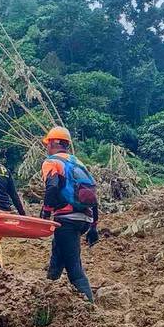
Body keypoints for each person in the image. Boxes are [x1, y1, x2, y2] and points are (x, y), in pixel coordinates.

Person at [40, 126, 99, 301]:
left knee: (75, 270)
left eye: (47, 143)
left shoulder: (52, 162)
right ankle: (46, 297)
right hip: (84, 219)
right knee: (58, 258)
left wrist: (45, 213)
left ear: (51, 143)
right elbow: (92, 193)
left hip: (66, 219)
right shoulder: (78, 163)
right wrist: (94, 225)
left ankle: (90, 308)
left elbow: (52, 187)